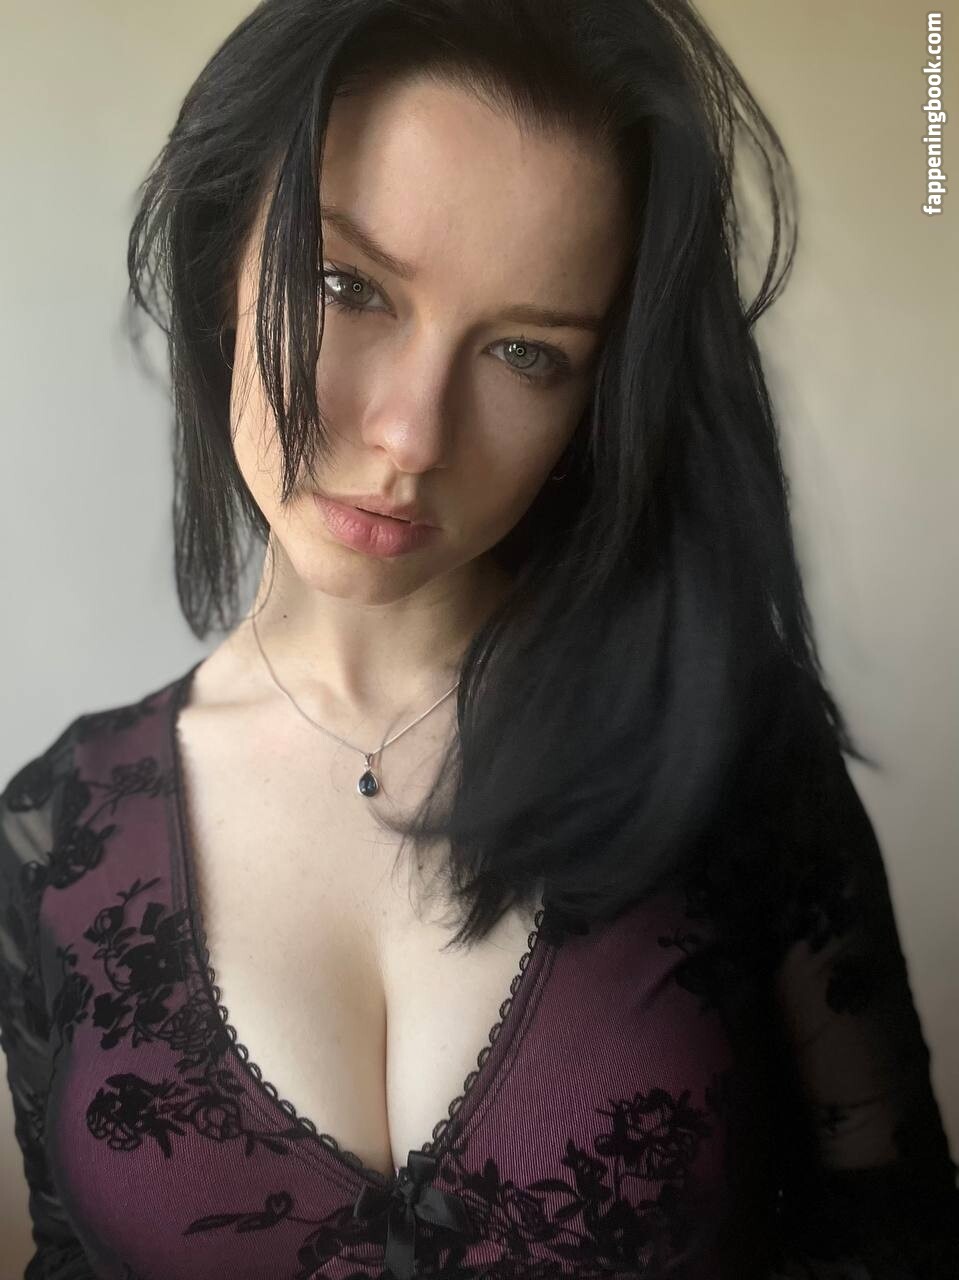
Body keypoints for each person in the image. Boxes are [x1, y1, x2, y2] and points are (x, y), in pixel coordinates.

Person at [1, 1, 957, 1277]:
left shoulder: (723, 741)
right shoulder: (52, 834)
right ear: (221, 252)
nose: (410, 435)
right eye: (345, 286)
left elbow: (895, 1233)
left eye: (524, 352)